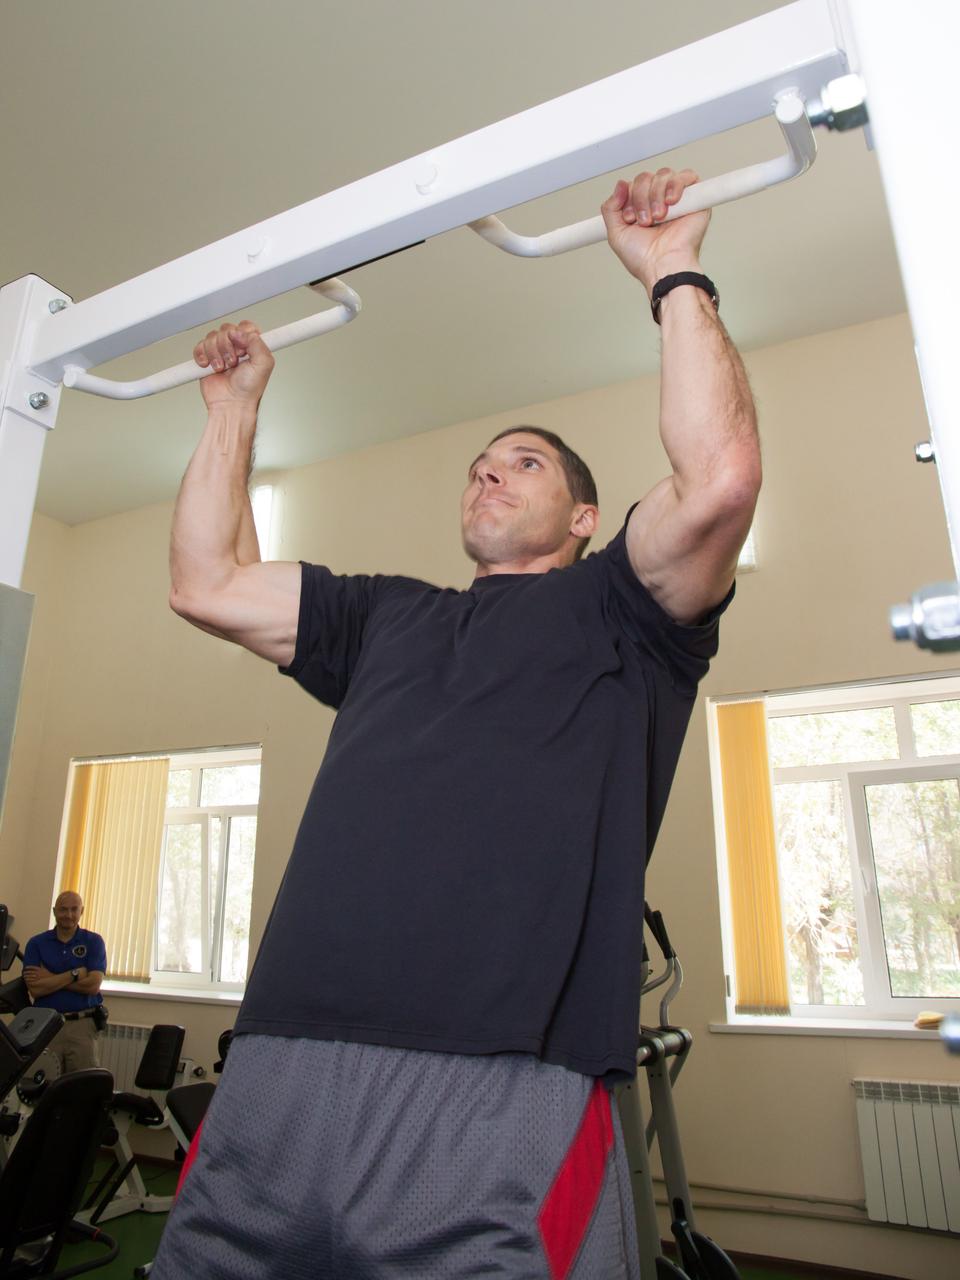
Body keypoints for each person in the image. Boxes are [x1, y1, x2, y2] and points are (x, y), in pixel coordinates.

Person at [155, 167, 760, 1279]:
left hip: (503, 1079)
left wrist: (672, 265)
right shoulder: (385, 612)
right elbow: (206, 580)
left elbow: (718, 477)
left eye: (522, 461)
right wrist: (234, 407)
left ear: (585, 514)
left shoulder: (626, 610)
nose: (489, 470)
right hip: (283, 1060)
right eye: (481, 463)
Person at [22, 890, 107, 1072]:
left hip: (82, 1026)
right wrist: (75, 974)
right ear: (54, 912)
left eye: (74, 909)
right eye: (63, 910)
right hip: (46, 1027)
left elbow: (93, 986)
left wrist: (50, 978)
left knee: (82, 1089)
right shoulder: (36, 944)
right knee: (43, 1088)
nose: (68, 915)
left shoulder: (94, 942)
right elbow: (35, 990)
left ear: (81, 911)